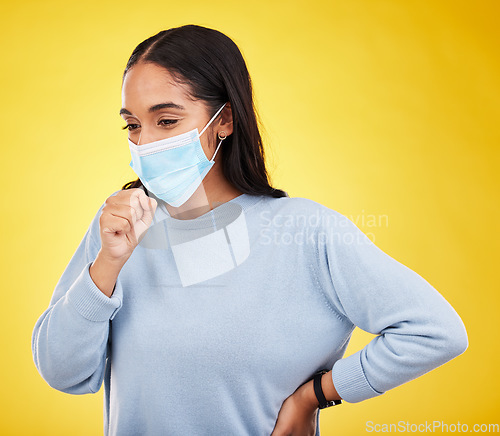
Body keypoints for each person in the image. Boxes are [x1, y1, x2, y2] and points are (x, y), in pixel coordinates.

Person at [31, 24, 468, 436]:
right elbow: (63, 373)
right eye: (132, 125)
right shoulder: (120, 229)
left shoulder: (305, 231)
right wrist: (108, 263)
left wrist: (315, 396)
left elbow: (435, 332)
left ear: (224, 120)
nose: (144, 143)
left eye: (166, 121)